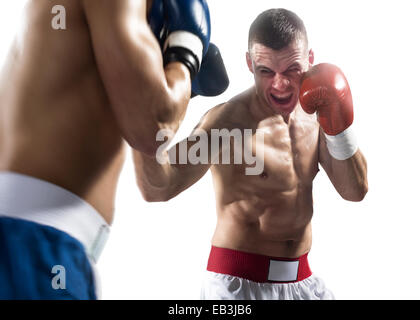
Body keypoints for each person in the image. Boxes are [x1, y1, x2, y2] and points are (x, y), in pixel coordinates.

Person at [0, 0, 228, 300]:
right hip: (38, 244)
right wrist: (186, 52)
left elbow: (152, 179)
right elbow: (154, 129)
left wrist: (163, 69)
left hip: (40, 242)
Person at [135, 8, 368, 300]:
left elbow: (354, 191)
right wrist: (139, 121)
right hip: (239, 286)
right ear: (249, 63)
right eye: (266, 71)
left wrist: (339, 127)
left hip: (303, 281)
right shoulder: (229, 124)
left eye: (291, 70)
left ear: (310, 59)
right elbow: (159, 186)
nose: (279, 84)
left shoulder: (317, 116)